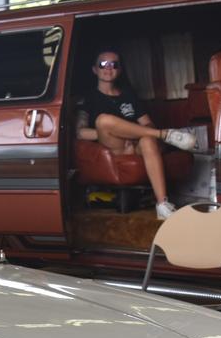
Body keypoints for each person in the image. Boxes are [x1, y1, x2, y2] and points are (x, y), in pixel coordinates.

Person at [76, 49, 198, 220]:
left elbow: (147, 123)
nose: (109, 68)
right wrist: (115, 131)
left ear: (119, 70)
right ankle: (166, 134)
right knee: (104, 120)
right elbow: (80, 132)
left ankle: (162, 205)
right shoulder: (88, 98)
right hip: (113, 145)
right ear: (95, 69)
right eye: (103, 64)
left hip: (135, 144)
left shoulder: (128, 94)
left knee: (148, 140)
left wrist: (132, 132)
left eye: (114, 64)